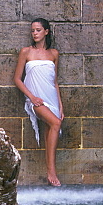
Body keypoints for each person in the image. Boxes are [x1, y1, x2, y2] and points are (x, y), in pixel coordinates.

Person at [14, 18, 63, 186]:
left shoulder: (54, 54)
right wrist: (32, 97)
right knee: (55, 123)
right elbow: (17, 79)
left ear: (46, 32)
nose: (34, 33)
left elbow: (55, 82)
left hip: (51, 98)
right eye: (33, 30)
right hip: (35, 99)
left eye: (38, 30)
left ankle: (51, 172)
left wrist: (60, 106)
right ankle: (51, 172)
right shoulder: (26, 52)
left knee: (53, 127)